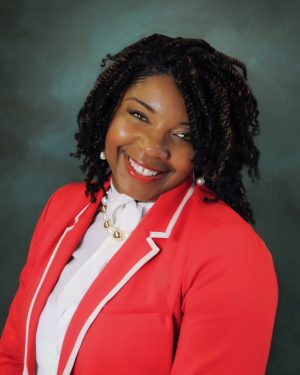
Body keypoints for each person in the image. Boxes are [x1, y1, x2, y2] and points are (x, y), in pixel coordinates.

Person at [0, 34, 278, 375]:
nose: (150, 149)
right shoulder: (65, 206)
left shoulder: (231, 253)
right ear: (110, 110)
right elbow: (13, 356)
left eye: (183, 135)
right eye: (139, 115)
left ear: (206, 149)